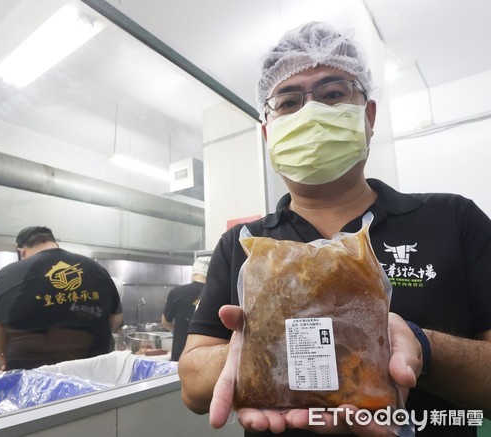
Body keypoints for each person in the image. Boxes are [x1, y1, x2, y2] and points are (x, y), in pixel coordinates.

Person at [178, 22, 491, 437]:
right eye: (288, 102)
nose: (311, 113)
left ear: (368, 114)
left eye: (332, 94)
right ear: (269, 132)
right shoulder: (244, 245)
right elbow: (192, 382)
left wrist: (422, 346)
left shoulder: (453, 219)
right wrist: (260, 352)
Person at [0, 226, 123, 370]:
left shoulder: (7, 275)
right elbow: (116, 320)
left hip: (31, 378)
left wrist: (7, 362)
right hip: (96, 375)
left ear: (21, 251)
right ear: (54, 243)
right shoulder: (96, 268)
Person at [161, 256, 211, 361]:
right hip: (205, 357)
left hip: (180, 356)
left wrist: (180, 327)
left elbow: (165, 323)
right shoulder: (215, 294)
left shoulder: (176, 292)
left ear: (194, 272)